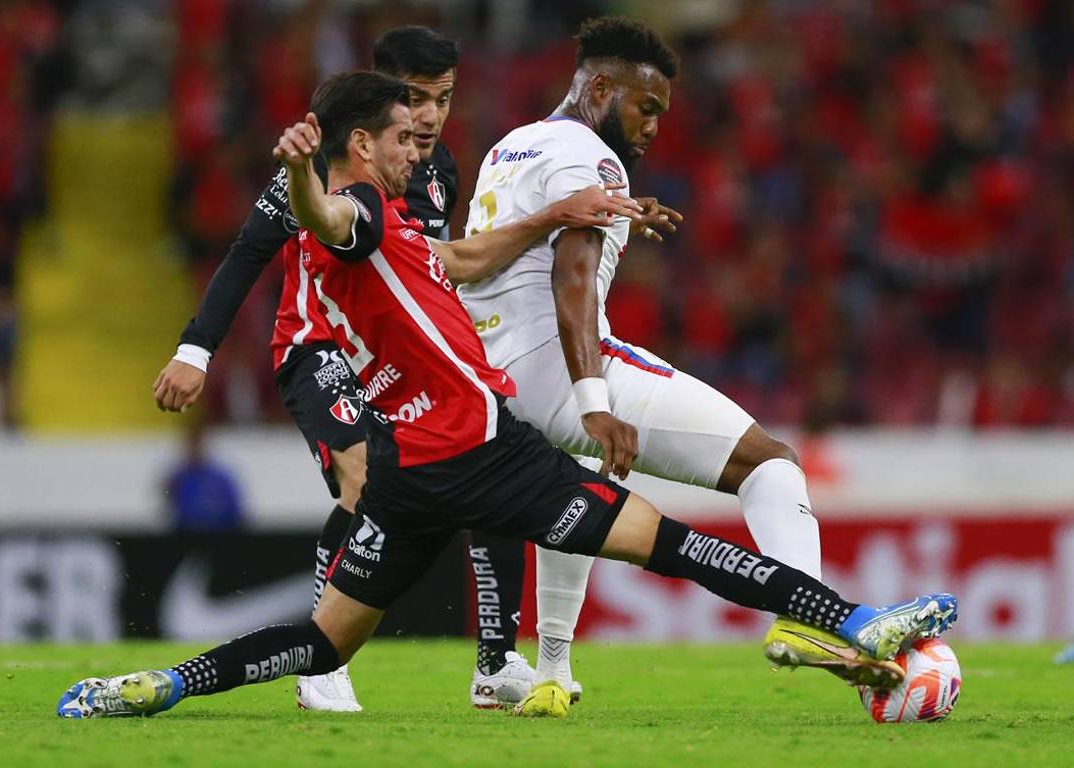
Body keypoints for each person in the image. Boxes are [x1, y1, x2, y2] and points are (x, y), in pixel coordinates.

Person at [57, 70, 957, 721]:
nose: (423, 151)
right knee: (672, 543)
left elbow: (466, 260)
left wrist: (562, 217)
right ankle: (857, 618)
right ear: (361, 145)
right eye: (407, 138)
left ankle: (162, 687)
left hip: (413, 473)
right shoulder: (356, 213)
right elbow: (328, 216)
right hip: (489, 455)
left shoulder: (398, 229)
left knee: (324, 641)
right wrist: (301, 172)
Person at [151, 27, 538, 710]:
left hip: (395, 354)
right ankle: (321, 662)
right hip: (318, 344)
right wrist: (195, 351)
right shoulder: (319, 167)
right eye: (415, 99)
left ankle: (496, 661)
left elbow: (427, 273)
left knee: (489, 454)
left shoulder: (439, 171)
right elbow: (247, 254)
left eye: (443, 99)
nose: (429, 117)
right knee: (362, 473)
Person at [457, 15, 846, 693]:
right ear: (600, 88)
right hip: (559, 365)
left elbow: (524, 250)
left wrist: (620, 208)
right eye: (646, 107)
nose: (654, 127)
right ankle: (807, 614)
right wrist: (593, 402)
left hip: (493, 369)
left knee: (577, 488)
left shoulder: (511, 147)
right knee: (769, 464)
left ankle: (551, 672)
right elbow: (571, 279)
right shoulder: (591, 159)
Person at [165, 421, 246, 532]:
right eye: (191, 445)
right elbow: (171, 512)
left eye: (198, 444)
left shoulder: (221, 478)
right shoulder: (178, 479)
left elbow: (235, 511)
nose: (195, 449)